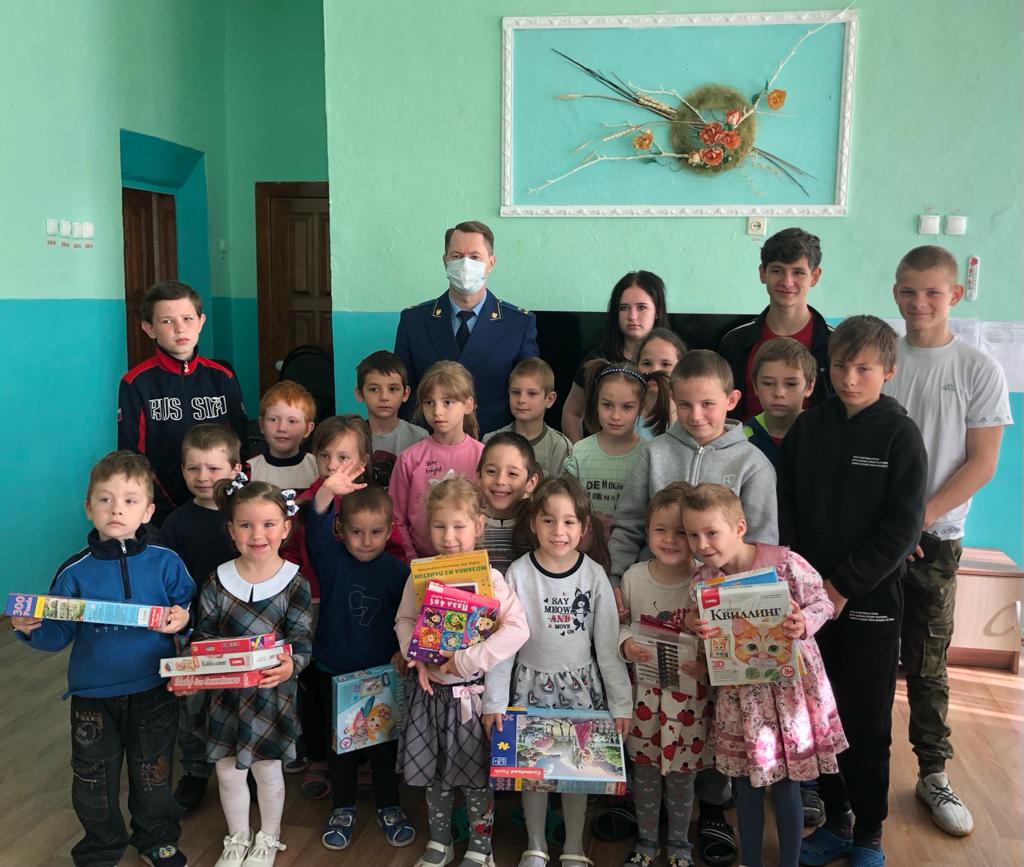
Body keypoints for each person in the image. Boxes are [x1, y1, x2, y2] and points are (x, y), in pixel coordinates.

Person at [608, 349, 778, 867]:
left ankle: (710, 809)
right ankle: (648, 812)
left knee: (713, 710)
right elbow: (629, 521)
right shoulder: (655, 452)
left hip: (722, 613)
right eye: (684, 404)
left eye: (707, 404)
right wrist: (616, 578)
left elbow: (762, 543)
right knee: (655, 699)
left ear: (732, 400)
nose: (696, 415)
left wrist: (743, 611)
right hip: (654, 598)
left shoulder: (752, 463)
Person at [779, 316, 928, 867]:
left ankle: (869, 832)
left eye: (863, 368)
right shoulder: (808, 428)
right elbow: (786, 509)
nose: (849, 378)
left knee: (864, 721)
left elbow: (903, 529)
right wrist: (799, 584)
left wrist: (842, 586)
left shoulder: (899, 435)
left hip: (869, 604)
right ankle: (838, 819)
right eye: (840, 366)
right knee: (819, 716)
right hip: (805, 605)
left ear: (888, 371)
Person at [883, 245, 1012, 836]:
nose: (920, 302)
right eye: (909, 291)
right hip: (876, 540)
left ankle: (933, 773)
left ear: (955, 295)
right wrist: (888, 527)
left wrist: (918, 520)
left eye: (933, 292)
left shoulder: (978, 368)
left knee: (927, 664)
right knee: (865, 660)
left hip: (935, 540)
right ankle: (855, 771)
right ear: (895, 292)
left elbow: (981, 463)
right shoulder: (881, 360)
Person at [12, 450, 193, 867]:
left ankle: (157, 838)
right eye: (105, 499)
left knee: (154, 772)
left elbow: (187, 610)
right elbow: (57, 635)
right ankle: (100, 847)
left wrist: (183, 620)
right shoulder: (74, 572)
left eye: (130, 500)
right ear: (88, 507)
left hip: (154, 689)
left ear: (148, 511)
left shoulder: (166, 562)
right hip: (93, 697)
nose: (116, 509)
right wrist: (31, 629)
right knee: (93, 779)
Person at [683, 484, 848, 867]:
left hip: (791, 694)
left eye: (711, 532)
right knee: (746, 786)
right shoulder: (702, 581)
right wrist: (695, 624)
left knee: (788, 785)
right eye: (693, 535)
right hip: (739, 698)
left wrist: (803, 622)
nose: (702, 544)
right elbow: (705, 632)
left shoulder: (786, 564)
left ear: (739, 527)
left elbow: (823, 602)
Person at [484, 476, 632, 867]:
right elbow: (502, 646)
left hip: (581, 691)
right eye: (548, 520)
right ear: (534, 523)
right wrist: (494, 701)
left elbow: (608, 648)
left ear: (584, 528)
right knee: (532, 769)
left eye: (569, 521)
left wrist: (621, 705)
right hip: (528, 687)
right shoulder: (518, 573)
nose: (558, 530)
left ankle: (573, 847)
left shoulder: (594, 575)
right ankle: (535, 844)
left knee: (576, 770)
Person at [395, 475, 530, 867]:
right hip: (429, 696)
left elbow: (518, 629)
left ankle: (480, 848)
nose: (449, 536)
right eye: (440, 526)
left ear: (478, 525)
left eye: (459, 526)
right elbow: (404, 620)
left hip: (471, 698)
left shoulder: (491, 579)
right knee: (434, 776)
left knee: (475, 779)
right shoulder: (421, 574)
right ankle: (441, 842)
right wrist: (415, 655)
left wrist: (469, 660)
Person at [191, 478, 313, 867]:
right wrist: (193, 670)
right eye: (246, 525)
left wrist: (292, 664)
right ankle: (238, 838)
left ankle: (268, 837)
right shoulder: (217, 580)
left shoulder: (294, 582)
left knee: (268, 771)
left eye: (268, 524)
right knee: (227, 773)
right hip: (225, 697)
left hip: (270, 695)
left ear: (285, 528)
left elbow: (302, 640)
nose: (257, 535)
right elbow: (204, 636)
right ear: (231, 530)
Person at [306, 476, 415, 850]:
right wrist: (327, 492)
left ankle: (389, 806)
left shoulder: (398, 572)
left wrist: (404, 651)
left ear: (390, 530)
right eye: (356, 532)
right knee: (342, 751)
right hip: (335, 672)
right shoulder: (331, 560)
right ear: (341, 529)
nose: (366, 541)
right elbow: (315, 531)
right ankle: (342, 808)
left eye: (375, 532)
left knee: (385, 749)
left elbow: (408, 619)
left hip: (385, 675)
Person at [618, 482, 710, 867]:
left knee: (682, 778)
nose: (670, 540)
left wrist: (705, 666)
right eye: (660, 529)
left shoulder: (704, 583)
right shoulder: (633, 578)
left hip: (688, 701)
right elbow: (621, 626)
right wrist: (626, 645)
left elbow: (720, 642)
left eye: (681, 532)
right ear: (647, 530)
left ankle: (679, 844)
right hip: (643, 695)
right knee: (644, 774)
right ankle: (645, 841)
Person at [158, 423, 243, 812]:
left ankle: (245, 766)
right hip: (191, 631)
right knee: (191, 706)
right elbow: (164, 580)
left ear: (236, 469)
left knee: (239, 702)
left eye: (213, 468)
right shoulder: (176, 523)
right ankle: (195, 771)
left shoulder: (245, 514)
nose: (203, 476)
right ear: (182, 470)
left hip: (242, 629)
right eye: (193, 468)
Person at [118, 280, 249, 524]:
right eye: (167, 321)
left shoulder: (223, 377)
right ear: (149, 328)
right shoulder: (136, 383)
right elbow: (133, 458)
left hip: (222, 507)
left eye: (188, 318)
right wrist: (165, 510)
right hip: (161, 513)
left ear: (201, 322)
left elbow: (241, 446)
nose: (180, 329)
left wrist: (232, 500)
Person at [395, 220, 538, 436]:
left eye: (474, 257)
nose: (465, 264)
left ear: (491, 263)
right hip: (428, 443)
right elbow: (403, 392)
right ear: (445, 261)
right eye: (457, 256)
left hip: (494, 444)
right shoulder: (414, 321)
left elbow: (529, 394)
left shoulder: (518, 324)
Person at [719, 228, 832, 419]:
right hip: (744, 438)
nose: (787, 282)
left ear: (814, 276)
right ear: (763, 273)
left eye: (798, 272)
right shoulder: (734, 342)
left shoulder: (834, 343)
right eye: (777, 270)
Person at [391, 361, 486, 559]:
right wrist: (411, 559)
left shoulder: (484, 457)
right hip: (421, 562)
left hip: (472, 563)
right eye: (429, 402)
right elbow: (396, 517)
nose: (437, 411)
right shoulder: (409, 459)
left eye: (447, 402)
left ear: (468, 405)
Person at [564, 360, 670, 537]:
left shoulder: (649, 455)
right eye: (607, 405)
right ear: (596, 402)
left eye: (627, 407)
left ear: (641, 407)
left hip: (633, 548)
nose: (615, 416)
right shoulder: (579, 452)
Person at [562, 271, 670, 442]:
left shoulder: (673, 361)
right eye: (624, 308)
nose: (632, 316)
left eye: (641, 307)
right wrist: (579, 454)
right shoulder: (596, 359)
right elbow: (572, 413)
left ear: (657, 311)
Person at [483, 357, 572, 478]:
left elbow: (561, 488)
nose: (521, 400)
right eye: (515, 392)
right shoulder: (490, 440)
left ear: (549, 399)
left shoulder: (560, 446)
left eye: (532, 393)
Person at [355, 349, 429, 489]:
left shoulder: (419, 438)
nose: (384, 397)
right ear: (359, 394)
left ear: (405, 393)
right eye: (374, 389)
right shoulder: (351, 437)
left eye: (393, 389)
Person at [742, 338, 817, 467]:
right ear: (755, 386)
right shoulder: (742, 439)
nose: (779, 393)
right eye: (768, 383)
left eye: (791, 384)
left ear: (809, 387)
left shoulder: (822, 434)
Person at [477, 432, 541, 574]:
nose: (500, 481)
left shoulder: (540, 527)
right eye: (491, 471)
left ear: (531, 482)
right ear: (479, 476)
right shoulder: (465, 525)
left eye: (512, 474)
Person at [248, 381, 318, 490]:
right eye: (273, 420)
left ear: (308, 429)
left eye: (292, 421)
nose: (281, 428)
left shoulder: (317, 467)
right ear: (261, 425)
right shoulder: (250, 470)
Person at [636, 327, 688, 438]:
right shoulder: (625, 415)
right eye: (647, 363)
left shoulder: (691, 418)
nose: (655, 370)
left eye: (665, 364)